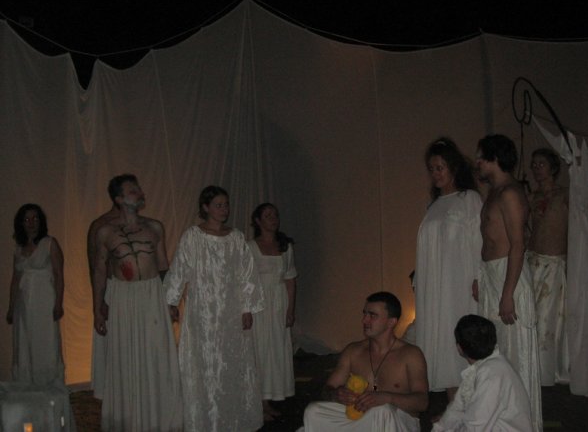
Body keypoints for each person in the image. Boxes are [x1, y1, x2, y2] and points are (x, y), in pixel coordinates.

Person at [165, 185, 264, 432]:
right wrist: (171, 301)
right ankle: (206, 421)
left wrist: (247, 307)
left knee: (232, 364)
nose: (224, 209)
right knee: (205, 365)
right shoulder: (193, 237)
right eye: (218, 205)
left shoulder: (236, 237)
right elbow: (180, 269)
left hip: (231, 310)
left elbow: (247, 274)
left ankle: (233, 419)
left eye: (226, 204)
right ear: (206, 207)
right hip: (203, 312)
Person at [92, 174, 182, 431]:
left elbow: (163, 265)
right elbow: (100, 270)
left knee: (156, 353)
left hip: (152, 294)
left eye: (139, 188)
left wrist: (171, 300)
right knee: (126, 356)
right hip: (123, 297)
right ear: (119, 198)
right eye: (133, 190)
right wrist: (98, 309)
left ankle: (160, 416)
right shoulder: (105, 232)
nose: (139, 192)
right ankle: (130, 418)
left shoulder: (155, 227)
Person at [474, 134, 542, 431]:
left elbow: (517, 244)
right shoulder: (494, 192)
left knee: (515, 355)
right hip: (492, 276)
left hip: (508, 278)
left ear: (494, 158)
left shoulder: (511, 193)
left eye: (481, 157)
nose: (477, 162)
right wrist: (481, 277)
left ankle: (521, 424)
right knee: (494, 352)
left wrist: (508, 294)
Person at [299, 292, 428, 432]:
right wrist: (336, 394)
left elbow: (422, 402)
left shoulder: (411, 354)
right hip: (362, 417)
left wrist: (387, 398)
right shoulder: (353, 351)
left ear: (391, 322)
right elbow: (327, 389)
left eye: (372, 316)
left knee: (382, 411)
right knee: (314, 411)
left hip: (398, 420)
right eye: (365, 314)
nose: (364, 320)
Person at [414, 137, 482, 401]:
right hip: (434, 286)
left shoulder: (469, 199)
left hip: (457, 284)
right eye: (432, 169)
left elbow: (479, 241)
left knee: (458, 335)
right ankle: (453, 404)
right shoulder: (433, 205)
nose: (435, 173)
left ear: (453, 167)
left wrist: (478, 277)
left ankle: (466, 403)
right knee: (441, 338)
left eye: (440, 167)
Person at [432, 314, 532, 431]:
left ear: (459, 348)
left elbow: (476, 426)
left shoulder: (493, 373)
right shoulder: (483, 367)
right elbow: (457, 408)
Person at [6, 204, 65, 386]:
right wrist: (11, 307)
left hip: (44, 302)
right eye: (27, 219)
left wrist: (58, 304)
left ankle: (48, 386)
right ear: (21, 223)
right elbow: (15, 279)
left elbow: (59, 275)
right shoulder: (19, 248)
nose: (31, 223)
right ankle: (26, 387)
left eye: (35, 218)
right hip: (23, 305)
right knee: (24, 342)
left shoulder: (49, 244)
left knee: (45, 341)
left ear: (41, 221)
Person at [249, 202, 298, 420]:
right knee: (260, 350)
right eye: (268, 215)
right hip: (259, 305)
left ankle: (270, 396)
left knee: (276, 350)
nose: (273, 218)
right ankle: (259, 402)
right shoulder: (250, 247)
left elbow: (290, 279)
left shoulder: (285, 246)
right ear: (258, 221)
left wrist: (290, 309)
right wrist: (246, 309)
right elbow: (245, 281)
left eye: (275, 215)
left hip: (278, 303)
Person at [528, 148, 570, 386]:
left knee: (548, 316)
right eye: (534, 164)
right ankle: (532, 365)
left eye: (541, 164)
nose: (536, 168)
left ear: (553, 167)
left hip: (554, 263)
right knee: (533, 314)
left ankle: (548, 369)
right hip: (534, 261)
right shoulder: (532, 197)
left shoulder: (564, 195)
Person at [87, 198, 120, 400]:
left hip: (135, 293)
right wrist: (98, 304)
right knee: (112, 345)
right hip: (111, 289)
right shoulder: (100, 225)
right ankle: (112, 393)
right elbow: (95, 267)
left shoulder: (143, 225)